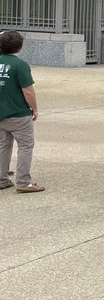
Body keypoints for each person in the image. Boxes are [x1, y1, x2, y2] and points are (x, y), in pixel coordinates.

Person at [0, 30, 40, 193]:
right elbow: (28, 91)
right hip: (18, 113)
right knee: (25, 146)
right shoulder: (19, 65)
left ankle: (2, 179)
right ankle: (24, 181)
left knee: (3, 145)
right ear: (19, 47)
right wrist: (34, 109)